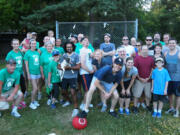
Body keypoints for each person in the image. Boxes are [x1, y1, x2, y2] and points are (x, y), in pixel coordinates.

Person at [132, 45, 154, 113]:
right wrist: (139, 78)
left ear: (148, 50)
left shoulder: (151, 59)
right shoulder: (137, 59)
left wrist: (148, 77)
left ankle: (148, 106)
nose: (145, 51)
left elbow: (152, 69)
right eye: (143, 49)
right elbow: (135, 69)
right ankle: (135, 107)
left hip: (148, 80)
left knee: (148, 95)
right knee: (137, 94)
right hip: (139, 80)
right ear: (141, 50)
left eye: (146, 49)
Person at [60, 42, 80, 117]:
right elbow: (59, 66)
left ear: (73, 47)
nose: (69, 48)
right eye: (67, 47)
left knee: (73, 92)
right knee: (63, 92)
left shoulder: (76, 55)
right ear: (65, 48)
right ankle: (68, 101)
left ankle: (76, 108)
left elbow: (78, 67)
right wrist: (62, 67)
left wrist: (70, 67)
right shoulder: (63, 56)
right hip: (64, 76)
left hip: (73, 76)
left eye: (70, 47)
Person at [5, 39, 27, 109]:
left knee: (23, 88)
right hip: (13, 75)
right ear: (12, 45)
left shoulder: (20, 52)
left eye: (17, 44)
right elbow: (7, 64)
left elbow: (23, 62)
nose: (16, 45)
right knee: (15, 90)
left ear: (19, 44)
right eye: (14, 44)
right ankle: (14, 104)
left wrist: (24, 72)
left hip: (20, 74)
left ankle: (21, 101)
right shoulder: (10, 54)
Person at [164, 38, 180, 117]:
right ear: (168, 44)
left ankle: (177, 111)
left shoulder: (179, 53)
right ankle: (171, 108)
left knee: (178, 95)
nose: (171, 44)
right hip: (168, 78)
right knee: (169, 94)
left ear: (176, 44)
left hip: (177, 78)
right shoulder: (166, 53)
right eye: (170, 43)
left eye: (173, 43)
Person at [24, 39, 41, 110]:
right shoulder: (27, 53)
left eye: (35, 44)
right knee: (35, 88)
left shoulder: (37, 53)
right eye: (32, 43)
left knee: (36, 88)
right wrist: (28, 74)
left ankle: (34, 101)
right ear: (30, 44)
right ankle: (31, 103)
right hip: (32, 73)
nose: (34, 45)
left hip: (38, 72)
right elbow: (26, 65)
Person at [79, 37, 95, 110]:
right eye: (85, 41)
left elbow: (92, 58)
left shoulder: (89, 50)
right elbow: (82, 64)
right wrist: (89, 71)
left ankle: (88, 102)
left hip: (91, 72)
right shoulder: (82, 50)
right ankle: (83, 104)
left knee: (90, 89)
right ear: (81, 43)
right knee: (87, 90)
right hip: (85, 73)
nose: (87, 42)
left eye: (88, 41)